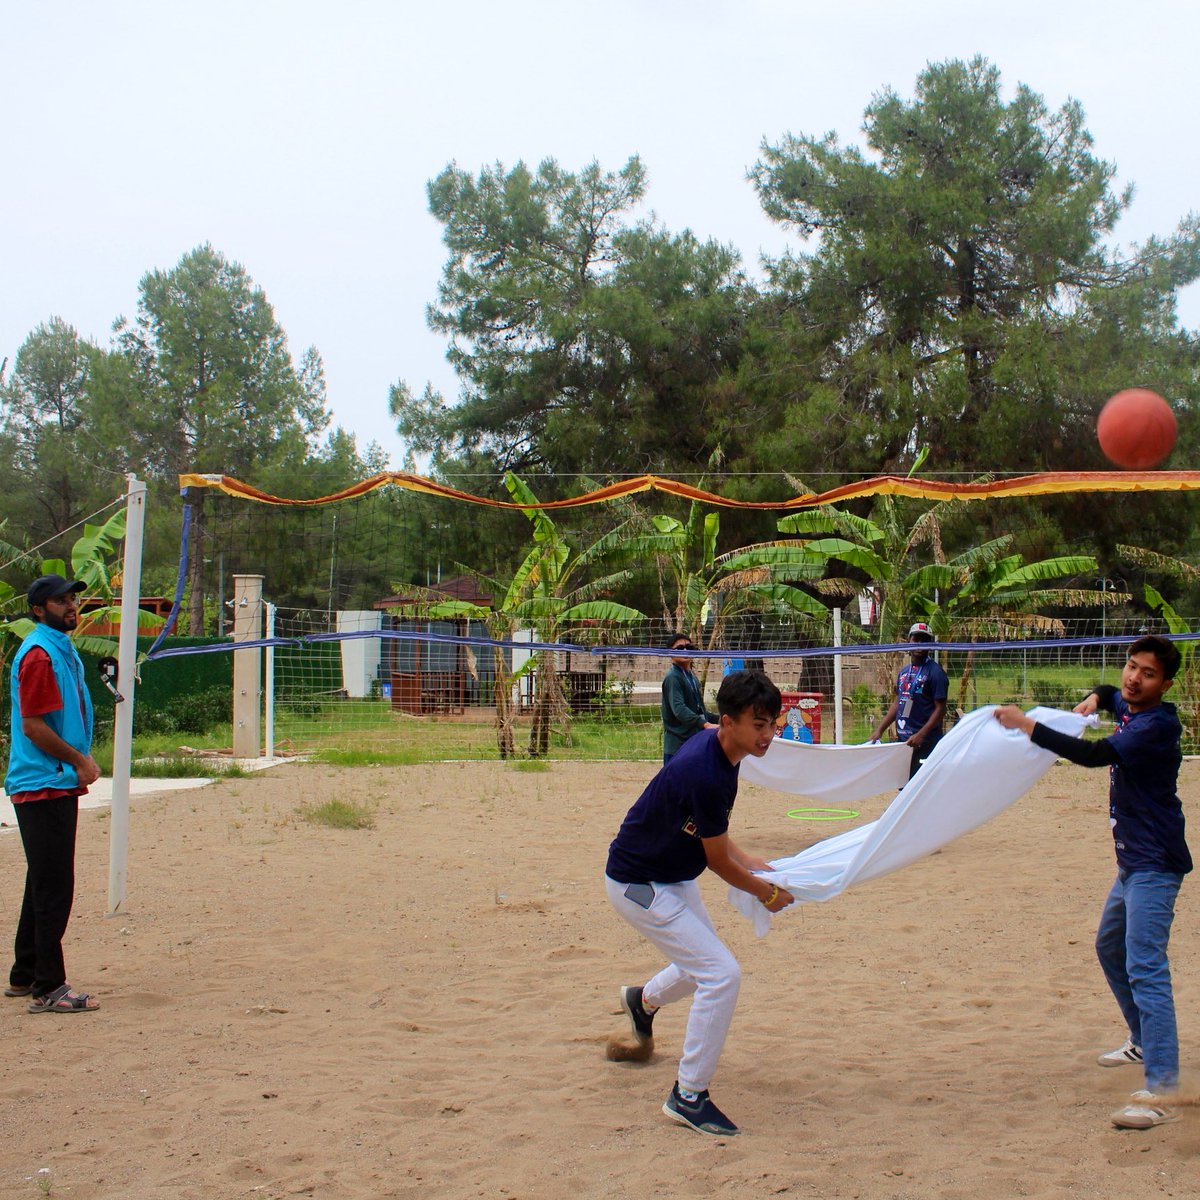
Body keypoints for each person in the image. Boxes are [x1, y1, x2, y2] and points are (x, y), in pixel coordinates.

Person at [994, 634, 1188, 1130]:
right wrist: (1099, 696)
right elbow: (1110, 690)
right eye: (1131, 666)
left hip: (1154, 864)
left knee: (1146, 966)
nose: (1133, 678)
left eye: (1147, 674)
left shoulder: (1156, 725)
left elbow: (1094, 755)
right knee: (1109, 946)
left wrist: (1026, 725)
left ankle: (1164, 1088)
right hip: (1132, 864)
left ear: (1166, 684)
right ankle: (1142, 1040)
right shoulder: (1130, 701)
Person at [606, 669, 795, 1137]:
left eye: (773, 723)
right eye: (759, 724)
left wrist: (748, 858)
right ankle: (688, 1096)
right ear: (727, 721)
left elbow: (716, 837)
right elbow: (716, 862)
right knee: (720, 973)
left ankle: (642, 1001)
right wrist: (766, 892)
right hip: (639, 883)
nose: (768, 734)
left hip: (671, 873)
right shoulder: (706, 770)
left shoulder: (724, 751)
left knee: (700, 964)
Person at [5, 574, 102, 1014]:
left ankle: (25, 974)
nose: (71, 606)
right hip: (43, 782)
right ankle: (50, 987)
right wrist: (79, 761)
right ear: (38, 609)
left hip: (54, 779)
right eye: (60, 601)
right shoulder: (40, 654)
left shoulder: (62, 650)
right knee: (54, 886)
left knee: (43, 880)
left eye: (72, 599)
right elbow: (33, 725)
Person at [869, 621, 949, 778]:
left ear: (930, 644)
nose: (919, 644)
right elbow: (899, 701)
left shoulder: (936, 673)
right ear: (909, 641)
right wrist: (880, 729)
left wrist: (921, 734)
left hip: (926, 743)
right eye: (916, 639)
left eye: (924, 640)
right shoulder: (905, 672)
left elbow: (941, 709)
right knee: (904, 787)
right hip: (904, 743)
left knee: (922, 789)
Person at [660, 634, 718, 766]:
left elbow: (699, 711)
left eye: (689, 647)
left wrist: (723, 719)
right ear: (670, 652)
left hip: (693, 742)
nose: (685, 651)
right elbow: (679, 710)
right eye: (680, 648)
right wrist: (706, 724)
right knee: (677, 785)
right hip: (678, 746)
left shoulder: (692, 677)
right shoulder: (673, 677)